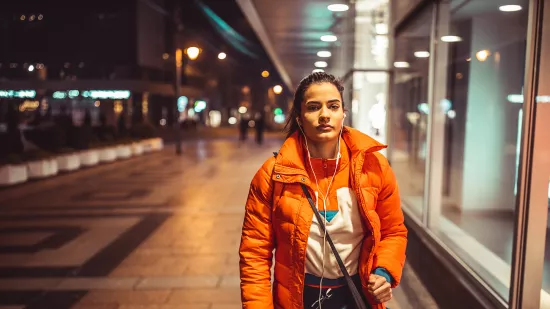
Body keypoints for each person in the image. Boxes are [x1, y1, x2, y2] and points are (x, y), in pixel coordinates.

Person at [239, 72, 407, 309]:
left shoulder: (374, 167)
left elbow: (393, 231)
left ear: (343, 114)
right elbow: (254, 254)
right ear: (299, 117)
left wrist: (384, 271)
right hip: (298, 299)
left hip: (356, 296)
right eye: (314, 107)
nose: (324, 115)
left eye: (333, 106)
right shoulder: (272, 175)